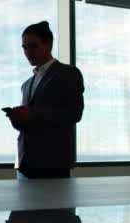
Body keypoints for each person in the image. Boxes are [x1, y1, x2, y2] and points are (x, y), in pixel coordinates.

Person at [7, 21, 84, 179]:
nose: (28, 52)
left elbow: (74, 113)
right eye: (24, 47)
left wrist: (31, 114)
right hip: (24, 163)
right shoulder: (26, 84)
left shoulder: (68, 73)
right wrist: (18, 120)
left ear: (48, 44)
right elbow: (30, 122)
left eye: (33, 46)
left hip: (52, 163)